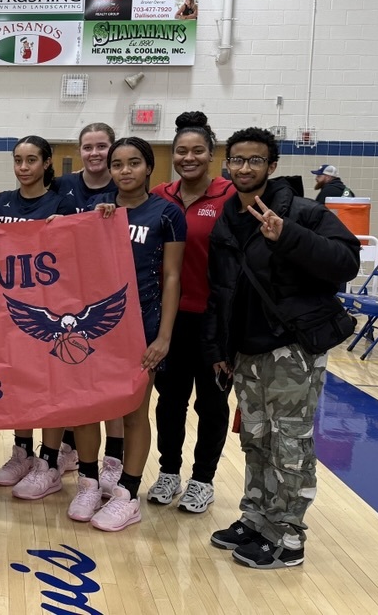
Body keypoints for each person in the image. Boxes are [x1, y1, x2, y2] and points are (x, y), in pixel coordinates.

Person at [204, 127, 359, 569]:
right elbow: (220, 291)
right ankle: (256, 519)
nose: (245, 168)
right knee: (257, 439)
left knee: (290, 444)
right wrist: (218, 346)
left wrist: (287, 235)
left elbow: (345, 263)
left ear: (272, 167)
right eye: (237, 160)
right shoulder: (226, 220)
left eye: (255, 160)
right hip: (246, 351)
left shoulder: (305, 213)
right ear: (227, 165)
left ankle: (288, 536)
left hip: (292, 349)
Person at [66, 137, 185, 531]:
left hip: (143, 326)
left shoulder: (167, 214)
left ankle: (127, 494)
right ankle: (87, 482)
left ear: (149, 167)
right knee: (86, 408)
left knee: (134, 413)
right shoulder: (95, 212)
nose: (125, 171)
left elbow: (171, 277)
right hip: (96, 327)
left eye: (134, 163)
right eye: (118, 165)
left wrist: (164, 336)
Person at [149, 112, 235, 513]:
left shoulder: (231, 196)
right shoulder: (158, 196)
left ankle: (203, 479)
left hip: (216, 323)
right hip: (169, 318)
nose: (188, 157)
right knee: (169, 402)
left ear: (212, 155)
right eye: (181, 150)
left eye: (197, 150)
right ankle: (169, 472)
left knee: (212, 405)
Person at [0, 136, 77, 500]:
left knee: (51, 386)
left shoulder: (62, 204)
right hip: (8, 308)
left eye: (31, 161)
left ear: (46, 163)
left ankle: (50, 461)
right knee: (18, 384)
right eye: (18, 161)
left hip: (50, 310)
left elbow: (76, 256)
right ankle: (21, 452)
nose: (23, 168)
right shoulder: (2, 201)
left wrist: (68, 229)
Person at [52, 123, 123, 487]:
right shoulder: (64, 187)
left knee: (110, 383)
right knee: (71, 376)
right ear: (79, 150)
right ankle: (69, 448)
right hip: (68, 294)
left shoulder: (123, 185)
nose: (95, 153)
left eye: (101, 146)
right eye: (88, 147)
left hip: (109, 294)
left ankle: (114, 458)